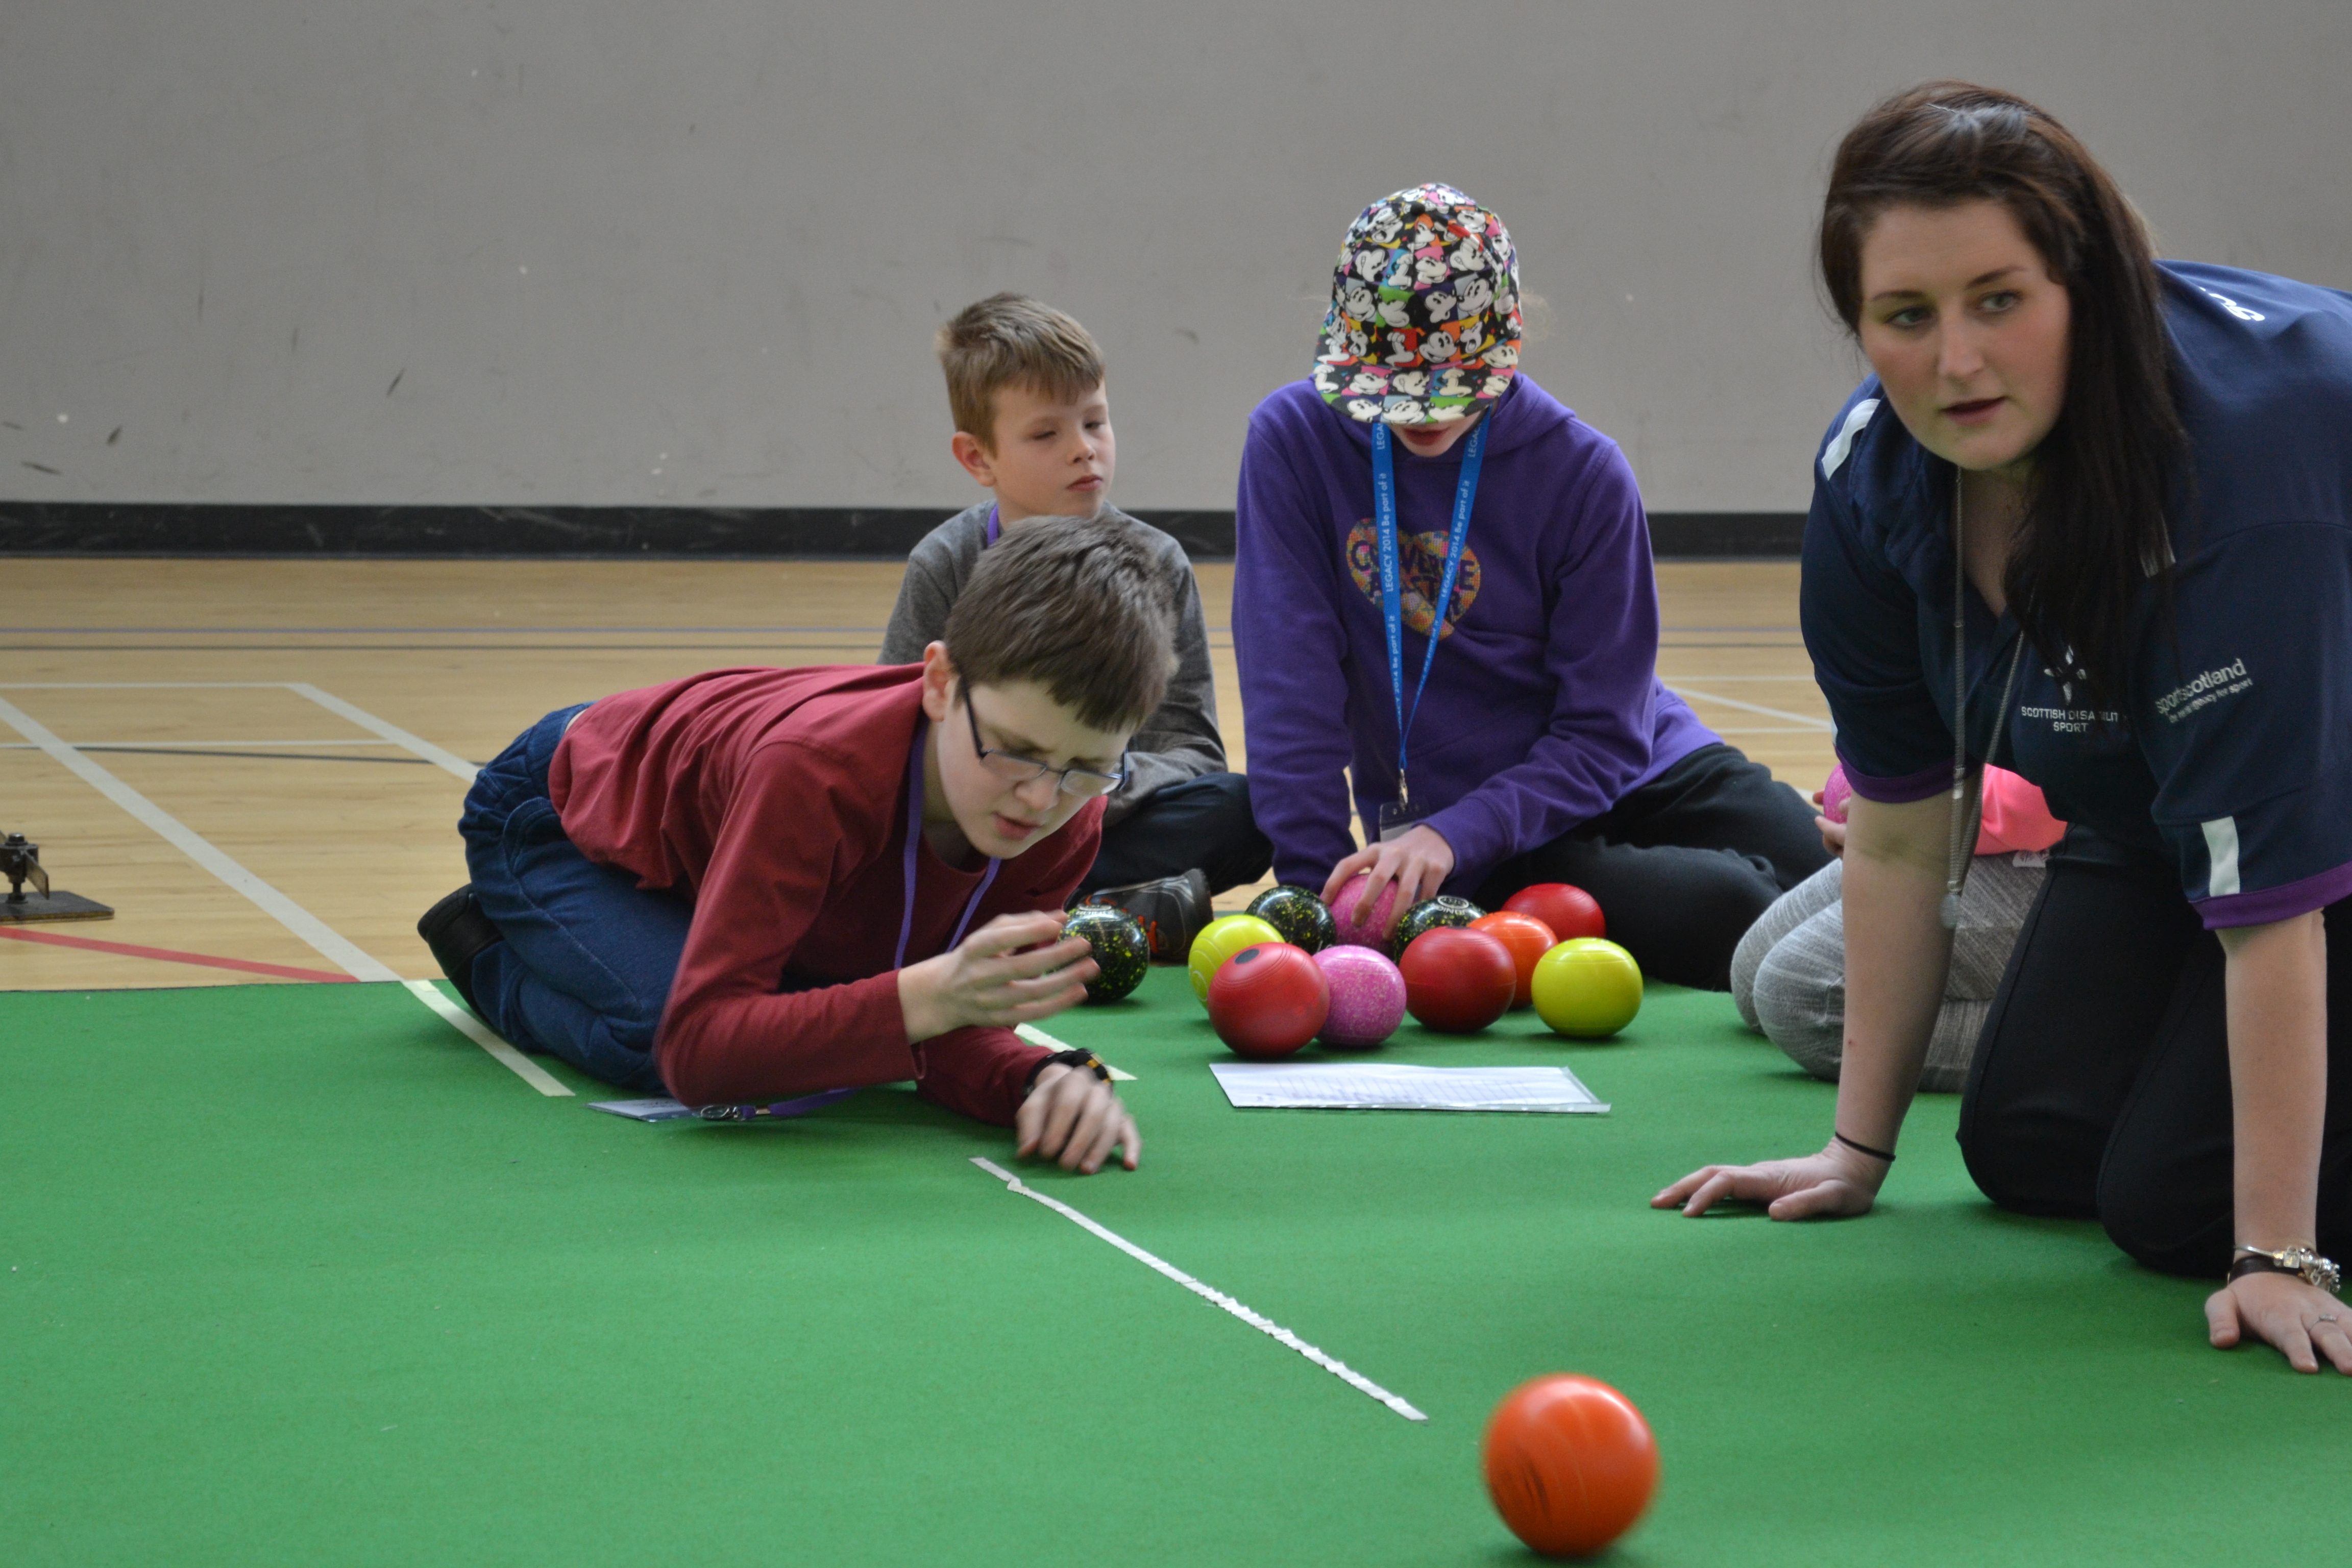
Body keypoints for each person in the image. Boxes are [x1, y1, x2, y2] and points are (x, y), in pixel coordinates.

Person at [1658, 82, 2352, 1375]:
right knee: (2026, 1140)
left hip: (2327, 821)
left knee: (2173, 1206)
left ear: (2086, 286)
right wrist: (1855, 1152)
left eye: (1999, 300)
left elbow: (2273, 904)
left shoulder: (2240, 476)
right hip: (2154, 819)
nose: (1956, 362)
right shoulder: (1871, 483)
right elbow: (1906, 842)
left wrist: (2276, 1253)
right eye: (1904, 317)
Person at [415, 518, 1169, 1175]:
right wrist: (927, 995)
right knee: (666, 1034)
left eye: (1086, 769)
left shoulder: (1067, 809)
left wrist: (1044, 1077)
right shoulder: (817, 772)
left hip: (715, 835)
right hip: (558, 815)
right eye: (1011, 749)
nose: (1040, 798)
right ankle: (489, 947)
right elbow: (701, 1052)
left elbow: (956, 1029)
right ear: (940, 683)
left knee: (810, 1019)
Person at [1233, 183, 1827, 989]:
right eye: (1396, 391)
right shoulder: (1293, 441)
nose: (1421, 415)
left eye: (1448, 387)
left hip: (1624, 767)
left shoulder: (1584, 471)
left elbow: (1606, 734)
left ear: (1507, 344)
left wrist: (1454, 834)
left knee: (1831, 881)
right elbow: (1287, 684)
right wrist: (1317, 894)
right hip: (1471, 833)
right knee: (1735, 910)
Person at [882, 293, 1269, 958]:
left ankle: (1011, 915)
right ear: (979, 459)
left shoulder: (1159, 563)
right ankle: (1108, 912)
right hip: (981, 821)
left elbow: (1195, 753)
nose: (1083, 451)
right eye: (1046, 434)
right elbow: (894, 744)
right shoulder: (943, 563)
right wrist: (1010, 786)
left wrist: (1081, 784)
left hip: (1093, 821)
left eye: (1096, 423)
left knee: (1247, 812)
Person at [1730, 763, 2062, 1090]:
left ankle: (2098, 1035)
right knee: (1751, 976)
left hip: (2072, 847)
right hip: (1948, 807)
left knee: (1801, 999)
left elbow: (2042, 797)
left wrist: (1905, 812)